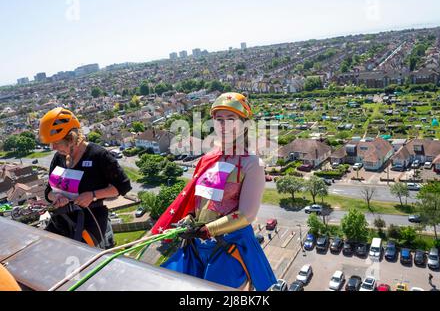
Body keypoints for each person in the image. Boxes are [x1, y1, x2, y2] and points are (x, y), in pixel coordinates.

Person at [152, 92, 277, 291]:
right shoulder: (208, 158)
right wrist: (190, 218)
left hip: (229, 248)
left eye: (231, 119)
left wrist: (207, 230)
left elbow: (246, 215)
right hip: (198, 245)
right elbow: (200, 200)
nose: (224, 125)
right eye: (219, 119)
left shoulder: (252, 164)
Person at [40, 107, 132, 248]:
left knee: (75, 257)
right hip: (62, 218)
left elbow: (122, 186)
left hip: (90, 220)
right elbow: (48, 192)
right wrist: (56, 197)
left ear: (71, 138)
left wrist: (93, 195)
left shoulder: (98, 156)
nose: (52, 147)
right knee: (43, 252)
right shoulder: (59, 158)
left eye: (56, 142)